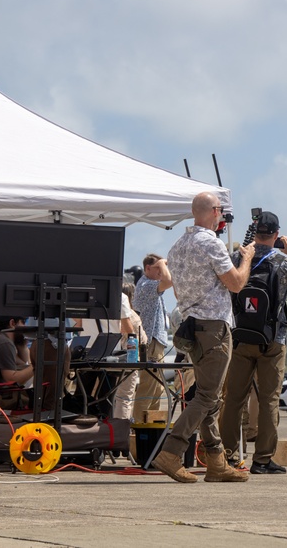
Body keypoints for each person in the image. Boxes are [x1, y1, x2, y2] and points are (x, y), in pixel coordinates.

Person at [151, 191, 255, 483]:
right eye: (219, 210)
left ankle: (216, 461)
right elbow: (235, 284)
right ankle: (171, 452)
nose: (222, 215)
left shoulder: (178, 245)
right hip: (214, 327)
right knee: (208, 396)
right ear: (212, 211)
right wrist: (245, 260)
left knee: (206, 397)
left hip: (191, 326)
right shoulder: (211, 243)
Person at [219, 210, 287, 474]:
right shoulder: (282, 261)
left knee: (233, 400)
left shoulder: (238, 257)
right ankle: (262, 459)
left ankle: (227, 456)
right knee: (268, 400)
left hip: (239, 337)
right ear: (276, 235)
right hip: (272, 340)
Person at [131, 253, 173, 421]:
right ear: (147, 268)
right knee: (148, 391)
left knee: (156, 391)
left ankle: (151, 428)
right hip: (151, 343)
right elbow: (170, 281)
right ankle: (139, 429)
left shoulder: (148, 284)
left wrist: (162, 265)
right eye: (158, 268)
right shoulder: (146, 285)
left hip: (156, 342)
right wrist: (164, 263)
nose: (162, 272)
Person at [112, 283, 146, 421]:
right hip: (129, 356)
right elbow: (137, 336)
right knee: (125, 396)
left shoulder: (111, 311)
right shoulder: (130, 315)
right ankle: (122, 429)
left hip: (114, 355)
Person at [0, 315, 33, 410]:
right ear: (12, 323)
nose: (25, 327)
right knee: (36, 400)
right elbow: (12, 380)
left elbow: (23, 362)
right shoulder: (3, 343)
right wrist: (36, 365)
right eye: (23, 322)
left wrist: (22, 343)